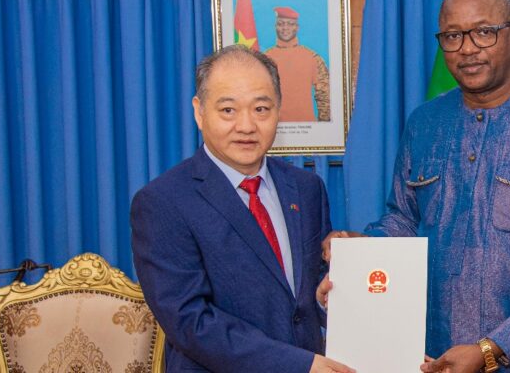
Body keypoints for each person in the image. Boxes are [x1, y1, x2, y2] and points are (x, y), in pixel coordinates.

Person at [319, 0, 510, 372]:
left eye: (484, 32)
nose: (467, 49)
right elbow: (404, 219)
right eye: (452, 36)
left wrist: (493, 347)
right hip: (431, 358)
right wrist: (360, 251)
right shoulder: (424, 123)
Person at [131, 45, 354, 373]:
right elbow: (191, 322)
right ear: (199, 112)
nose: (247, 126)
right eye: (228, 110)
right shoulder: (162, 202)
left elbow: (303, 296)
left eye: (261, 109)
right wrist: (297, 365)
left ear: (278, 109)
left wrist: (325, 296)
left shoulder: (307, 188)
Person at [265, 6, 331, 122]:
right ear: (275, 27)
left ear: (297, 27)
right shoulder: (264, 59)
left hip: (307, 129)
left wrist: (322, 128)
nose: (285, 28)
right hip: (274, 129)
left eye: (290, 24)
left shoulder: (313, 58)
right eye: (281, 24)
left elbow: (325, 96)